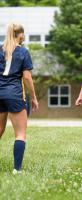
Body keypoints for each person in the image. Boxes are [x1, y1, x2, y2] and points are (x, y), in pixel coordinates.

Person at [0, 23, 39, 174]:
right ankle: (17, 169)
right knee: (20, 134)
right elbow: (27, 78)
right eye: (23, 33)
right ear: (20, 34)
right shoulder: (23, 52)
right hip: (14, 94)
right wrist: (34, 97)